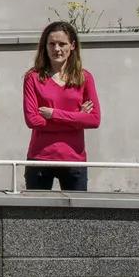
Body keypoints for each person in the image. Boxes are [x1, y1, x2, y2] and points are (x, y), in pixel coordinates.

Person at [22, 20, 101, 192]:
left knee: (77, 217)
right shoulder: (33, 77)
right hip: (40, 158)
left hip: (74, 159)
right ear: (45, 46)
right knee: (35, 216)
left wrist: (53, 114)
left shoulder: (84, 78)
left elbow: (94, 120)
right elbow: (32, 121)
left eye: (62, 44)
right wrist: (78, 117)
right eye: (52, 44)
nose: (57, 49)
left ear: (72, 45)